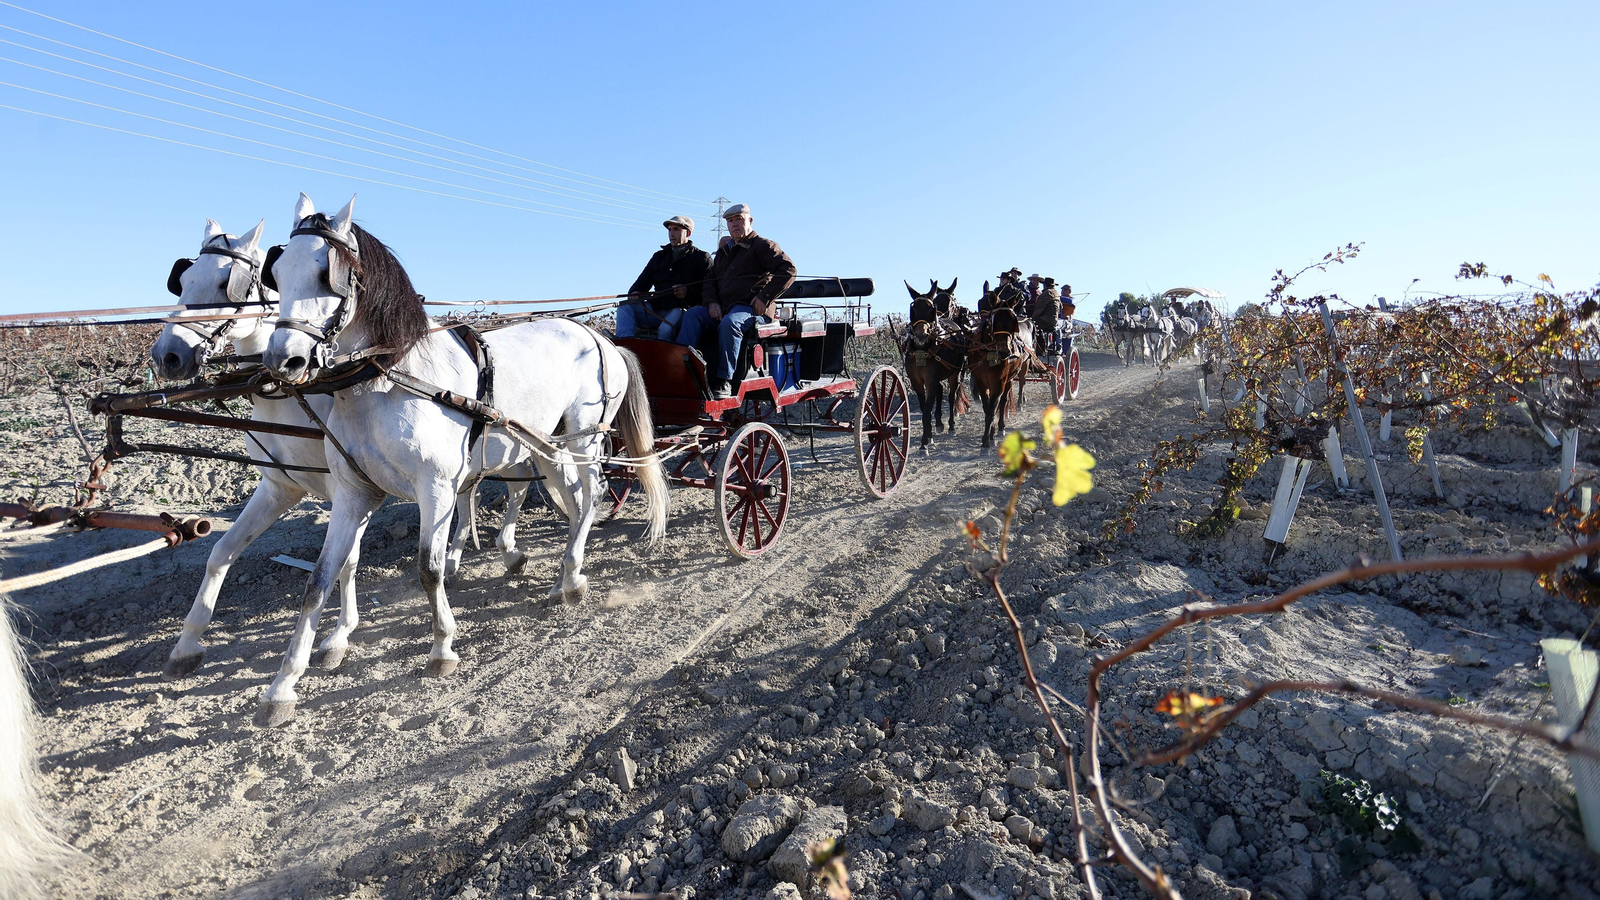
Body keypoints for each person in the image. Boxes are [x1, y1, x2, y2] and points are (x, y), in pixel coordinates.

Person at [675, 203, 796, 398]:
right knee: (693, 315)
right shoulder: (725, 252)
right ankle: (680, 372)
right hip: (723, 307)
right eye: (730, 221)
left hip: (749, 309)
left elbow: (789, 270)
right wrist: (712, 302)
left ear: (750, 220)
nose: (734, 224)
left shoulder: (762, 246)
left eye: (739, 219)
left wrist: (764, 297)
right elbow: (709, 279)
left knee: (730, 323)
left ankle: (724, 381)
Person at [616, 215, 713, 339]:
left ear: (688, 233)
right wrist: (635, 292)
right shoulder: (659, 257)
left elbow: (709, 291)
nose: (671, 233)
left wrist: (687, 293)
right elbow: (642, 282)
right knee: (624, 306)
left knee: (666, 329)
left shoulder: (702, 258)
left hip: (680, 310)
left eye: (676, 229)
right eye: (670, 229)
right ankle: (625, 345)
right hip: (654, 310)